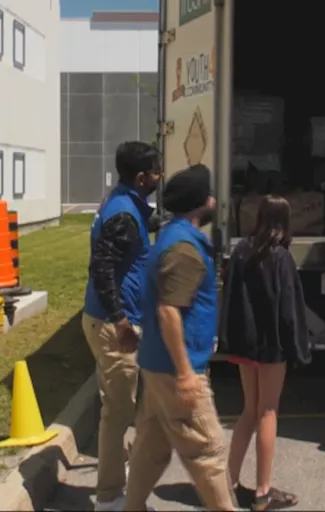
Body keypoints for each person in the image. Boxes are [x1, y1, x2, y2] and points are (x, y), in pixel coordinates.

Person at [123, 164, 236, 511]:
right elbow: (169, 311)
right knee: (208, 453)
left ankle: (132, 507)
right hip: (176, 370)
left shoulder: (172, 238)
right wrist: (187, 374)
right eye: (210, 192)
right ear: (203, 202)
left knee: (150, 450)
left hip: (157, 366)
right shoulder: (184, 249)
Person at [82, 141, 161, 512]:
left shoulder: (123, 203)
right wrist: (121, 321)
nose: (159, 177)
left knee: (119, 407)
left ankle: (116, 479)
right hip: (113, 324)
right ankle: (110, 498)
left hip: (111, 320)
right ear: (143, 177)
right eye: (156, 172)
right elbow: (102, 270)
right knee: (117, 413)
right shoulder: (123, 216)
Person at [221, 196, 312, 510]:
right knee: (268, 411)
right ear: (285, 221)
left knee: (249, 409)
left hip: (246, 344)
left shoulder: (242, 250)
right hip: (272, 345)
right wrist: (298, 346)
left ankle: (228, 482)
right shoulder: (281, 258)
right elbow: (289, 311)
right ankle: (262, 491)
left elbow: (230, 295)